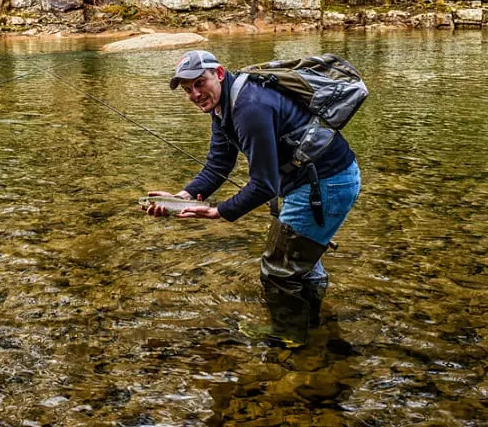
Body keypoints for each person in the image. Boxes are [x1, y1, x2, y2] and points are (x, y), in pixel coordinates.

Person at [147, 50, 361, 346]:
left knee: (277, 272)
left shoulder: (249, 107)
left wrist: (220, 211)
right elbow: (218, 164)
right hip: (322, 181)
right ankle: (317, 326)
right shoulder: (223, 106)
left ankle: (290, 339)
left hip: (326, 183)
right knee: (301, 263)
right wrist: (182, 197)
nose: (195, 94)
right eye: (187, 89)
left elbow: (264, 185)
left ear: (219, 74)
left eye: (200, 83)